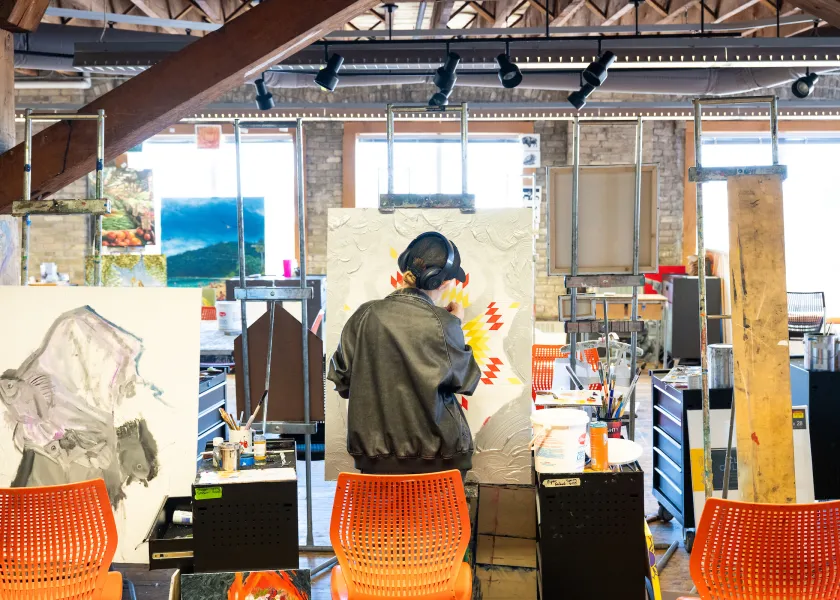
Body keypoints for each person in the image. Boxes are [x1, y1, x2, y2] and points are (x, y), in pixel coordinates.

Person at [328, 231, 481, 479]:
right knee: (439, 520)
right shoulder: (445, 323)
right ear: (440, 283)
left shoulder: (363, 315)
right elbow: (465, 381)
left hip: (373, 461)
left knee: (385, 520)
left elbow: (342, 381)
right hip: (440, 463)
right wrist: (454, 324)